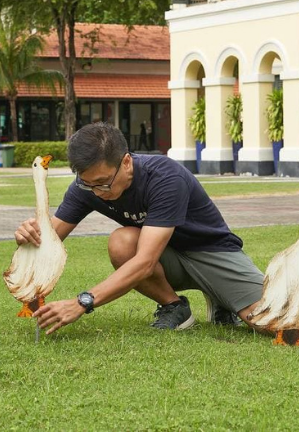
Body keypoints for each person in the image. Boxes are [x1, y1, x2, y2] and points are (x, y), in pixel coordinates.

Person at [17, 122, 268, 335]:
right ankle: (174, 307)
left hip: (212, 252)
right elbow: (50, 240)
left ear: (126, 162)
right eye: (89, 184)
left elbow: (145, 262)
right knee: (122, 241)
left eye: (104, 183)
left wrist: (83, 302)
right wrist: (28, 239)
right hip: (167, 258)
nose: (97, 192)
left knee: (273, 323)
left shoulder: (165, 177)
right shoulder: (86, 187)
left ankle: (222, 296)